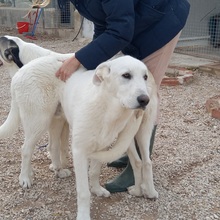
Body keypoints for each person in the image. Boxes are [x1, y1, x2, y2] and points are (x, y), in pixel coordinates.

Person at [39, 0, 190, 193]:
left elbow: (121, 30)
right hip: (139, 21)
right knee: (128, 94)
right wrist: (94, 64)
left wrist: (79, 58)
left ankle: (139, 168)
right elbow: (104, 23)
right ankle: (128, 153)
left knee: (144, 94)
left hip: (162, 21)